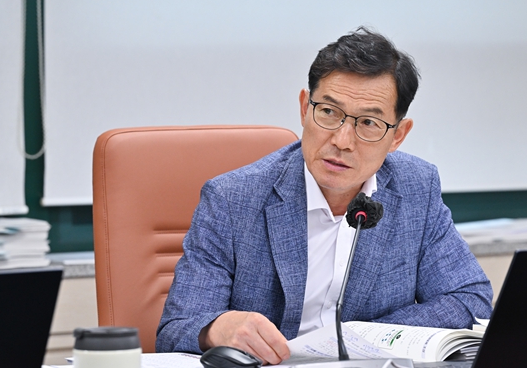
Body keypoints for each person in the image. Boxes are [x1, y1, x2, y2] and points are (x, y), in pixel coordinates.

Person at [156, 27, 493, 364]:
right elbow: (176, 329)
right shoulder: (232, 200)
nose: (342, 141)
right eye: (329, 112)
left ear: (398, 135)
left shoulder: (416, 188)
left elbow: (470, 299)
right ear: (305, 108)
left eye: (368, 123)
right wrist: (215, 329)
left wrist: (362, 338)